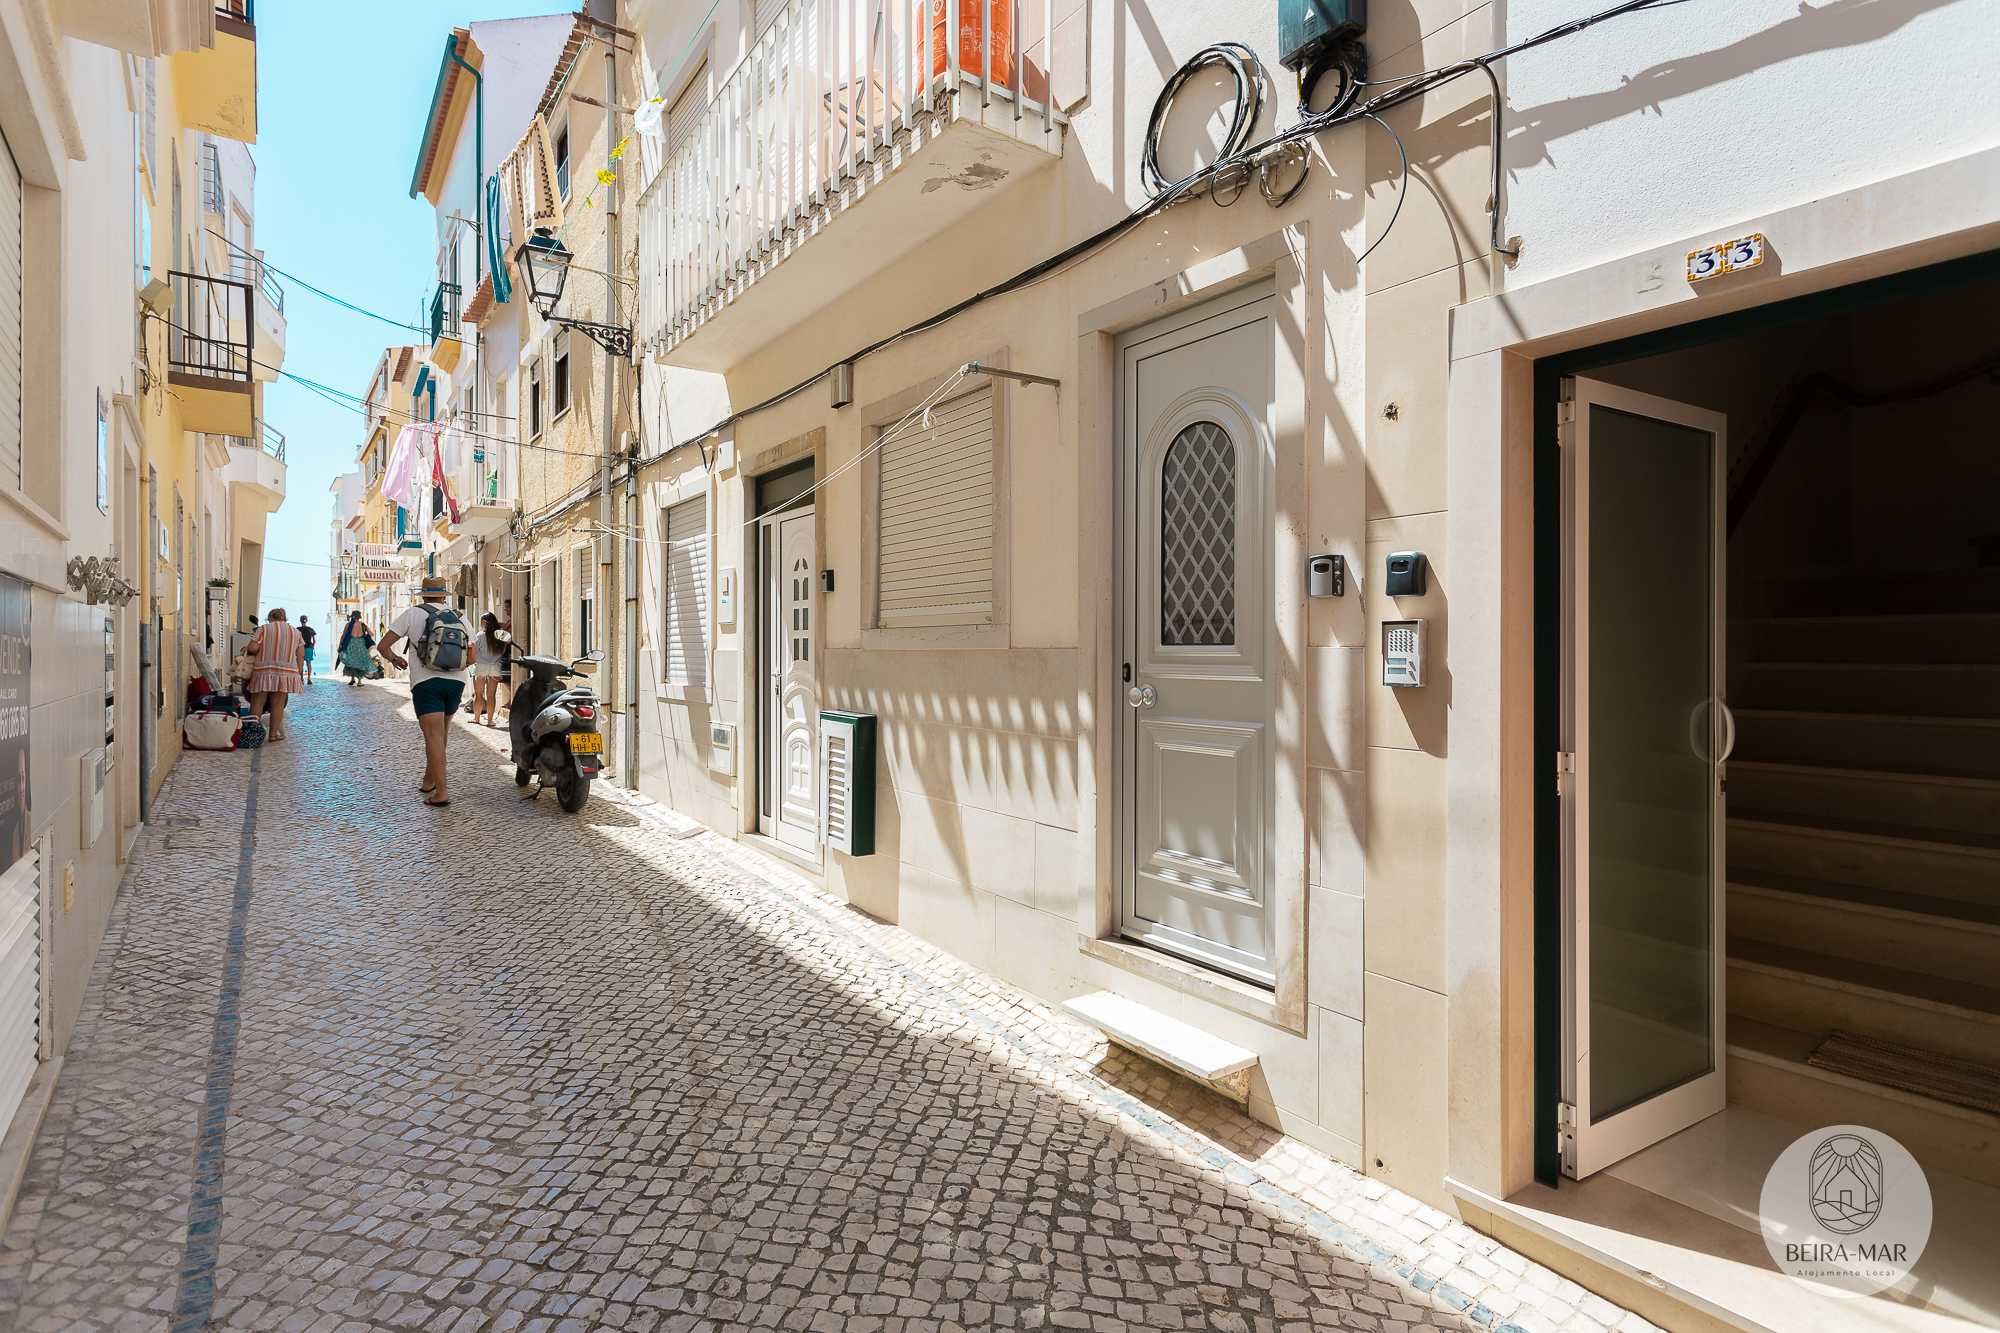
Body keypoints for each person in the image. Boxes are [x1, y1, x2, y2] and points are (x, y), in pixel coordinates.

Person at [377, 576, 474, 808]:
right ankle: (429, 780)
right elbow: (472, 656)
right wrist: (451, 666)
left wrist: (396, 659)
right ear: (444, 596)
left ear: (424, 594)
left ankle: (442, 792)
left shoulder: (412, 614)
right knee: (441, 735)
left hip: (426, 682)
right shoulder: (460, 617)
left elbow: (383, 646)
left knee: (433, 736)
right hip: (456, 683)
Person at [245, 608, 305, 741]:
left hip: (263, 670)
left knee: (257, 702)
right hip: (286, 672)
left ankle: (252, 734)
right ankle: (272, 735)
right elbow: (300, 655)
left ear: (270, 618)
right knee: (278, 703)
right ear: (284, 618)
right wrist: (299, 673)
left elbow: (252, 648)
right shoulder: (296, 632)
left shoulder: (263, 629)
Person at [470, 611, 511, 728]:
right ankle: (490, 721)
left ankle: (477, 718)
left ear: (484, 622)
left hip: (481, 666)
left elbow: (474, 649)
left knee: (478, 694)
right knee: (491, 695)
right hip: (495, 667)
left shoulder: (479, 635)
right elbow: (509, 640)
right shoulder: (500, 635)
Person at [338, 612, 375, 686]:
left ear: (353, 617)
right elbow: (372, 634)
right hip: (361, 645)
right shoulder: (363, 625)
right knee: (360, 662)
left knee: (352, 661)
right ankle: (359, 681)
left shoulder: (348, 625)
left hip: (351, 645)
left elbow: (343, 636)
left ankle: (352, 679)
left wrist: (340, 645)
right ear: (359, 617)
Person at [297, 615, 317, 684]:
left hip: (301, 648)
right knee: (308, 663)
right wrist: (312, 647)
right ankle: (309, 679)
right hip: (309, 648)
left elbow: (296, 640)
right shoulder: (310, 629)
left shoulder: (297, 629)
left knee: (301, 664)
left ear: (300, 621)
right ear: (306, 620)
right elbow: (314, 641)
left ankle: (301, 679)